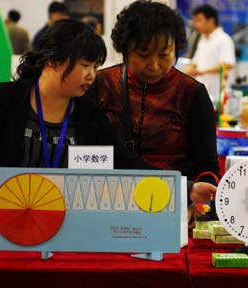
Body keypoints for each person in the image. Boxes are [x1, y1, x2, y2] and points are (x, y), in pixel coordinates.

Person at [0, 18, 214, 208]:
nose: (92, 75)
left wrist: (187, 188)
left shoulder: (88, 113)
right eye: (85, 66)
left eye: (96, 67)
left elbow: (125, 165)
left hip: (66, 228)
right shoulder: (2, 101)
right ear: (53, 61)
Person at [88, 0, 219, 207]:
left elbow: (207, 167)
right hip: (104, 201)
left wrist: (198, 202)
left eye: (164, 54)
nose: (154, 65)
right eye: (143, 55)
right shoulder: (101, 85)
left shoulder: (192, 93)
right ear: (124, 50)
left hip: (172, 206)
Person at [184, 4, 236, 103]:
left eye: (199, 20)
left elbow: (226, 65)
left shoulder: (224, 39)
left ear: (211, 21)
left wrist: (202, 72)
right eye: (194, 20)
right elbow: (194, 64)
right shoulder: (202, 40)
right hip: (202, 92)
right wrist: (179, 74)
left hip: (217, 95)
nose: (195, 24)